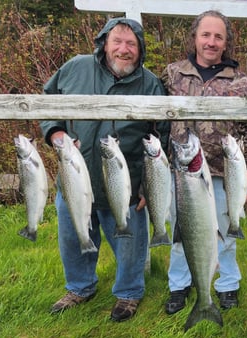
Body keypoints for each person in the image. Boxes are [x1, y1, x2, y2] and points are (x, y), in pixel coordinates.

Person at [40, 18, 170, 322]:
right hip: (74, 178)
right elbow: (45, 101)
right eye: (117, 42)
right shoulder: (75, 68)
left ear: (140, 50)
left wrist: (149, 186)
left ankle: (129, 293)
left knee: (129, 244)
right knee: (74, 239)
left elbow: (161, 134)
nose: (123, 50)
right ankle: (80, 287)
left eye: (131, 44)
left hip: (127, 184)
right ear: (104, 43)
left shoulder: (150, 84)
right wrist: (55, 132)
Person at [161, 10, 247, 314]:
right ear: (195, 37)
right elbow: (155, 118)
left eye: (218, 36)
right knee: (181, 231)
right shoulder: (172, 73)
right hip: (180, 172)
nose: (211, 41)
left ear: (226, 41)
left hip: (223, 172)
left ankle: (227, 284)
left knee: (225, 230)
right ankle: (180, 284)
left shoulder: (241, 82)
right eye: (206, 34)